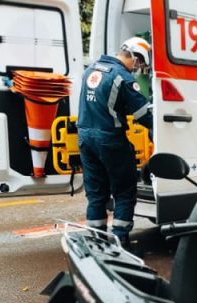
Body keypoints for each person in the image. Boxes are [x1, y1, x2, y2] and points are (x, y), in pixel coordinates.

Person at [77, 37, 154, 245]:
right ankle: (120, 242)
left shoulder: (91, 69)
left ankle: (97, 241)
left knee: (96, 193)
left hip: (85, 138)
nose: (138, 69)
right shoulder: (122, 77)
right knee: (124, 191)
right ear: (135, 57)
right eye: (140, 64)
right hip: (109, 140)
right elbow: (143, 115)